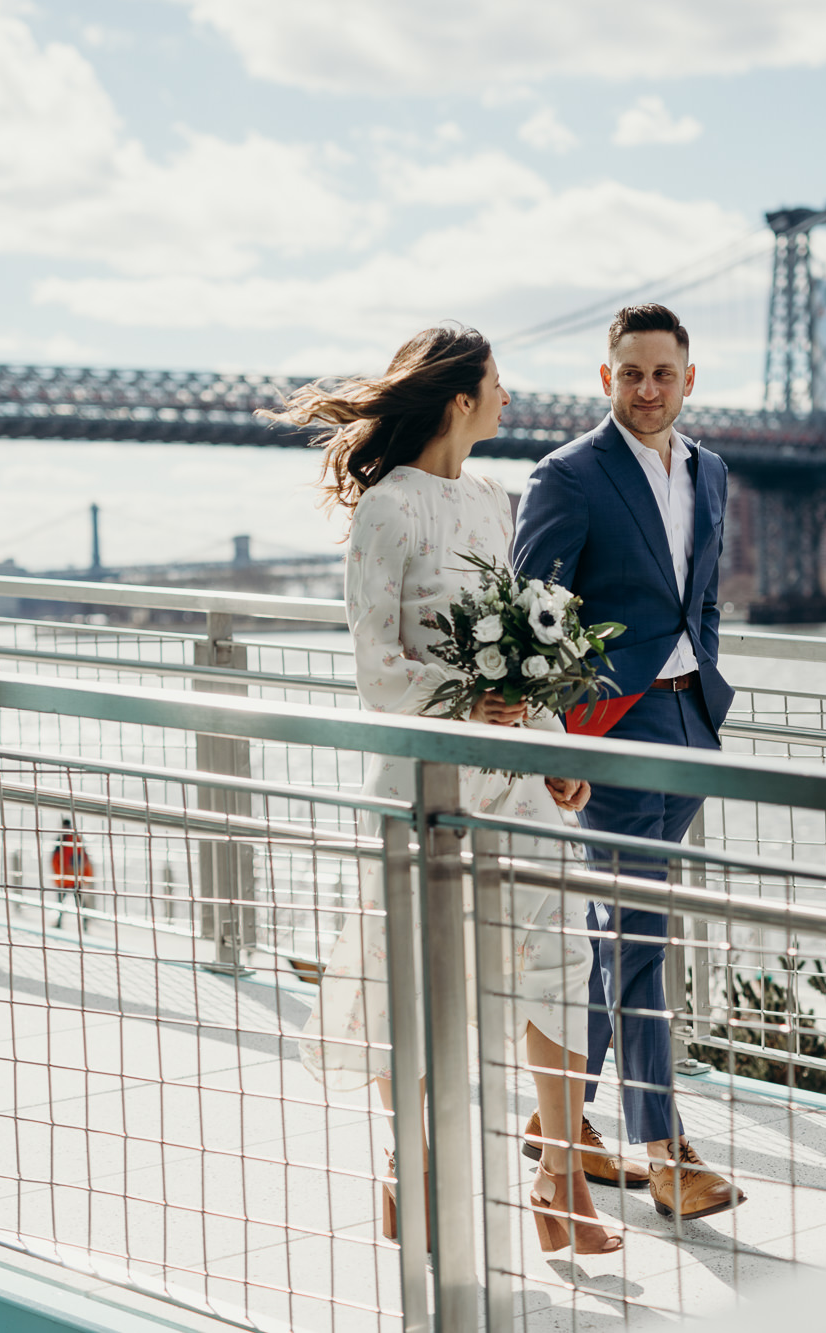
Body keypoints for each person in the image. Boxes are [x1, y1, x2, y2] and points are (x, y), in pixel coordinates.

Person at [277, 323, 621, 1256]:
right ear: (461, 397)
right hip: (427, 777)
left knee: (562, 958)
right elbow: (376, 667)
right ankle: (409, 1161)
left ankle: (558, 1174)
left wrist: (558, 751)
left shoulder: (492, 499)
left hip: (516, 779)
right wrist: (469, 704)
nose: (511, 399)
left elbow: (525, 645)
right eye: (499, 384)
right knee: (415, 977)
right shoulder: (388, 509)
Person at [511, 303, 745, 1222]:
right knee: (641, 928)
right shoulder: (568, 475)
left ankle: (560, 1124)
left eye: (665, 373)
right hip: (615, 726)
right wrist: (564, 733)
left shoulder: (712, 471)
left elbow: (706, 597)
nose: (648, 389)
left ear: (690, 379)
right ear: (605, 378)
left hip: (693, 721)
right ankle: (665, 1151)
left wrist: (708, 681)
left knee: (624, 930)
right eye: (631, 373)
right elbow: (535, 612)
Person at [48, 819, 95, 932]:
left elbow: (55, 861)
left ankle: (70, 923)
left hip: (67, 879)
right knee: (78, 904)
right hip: (71, 878)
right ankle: (83, 924)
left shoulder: (62, 841)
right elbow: (85, 859)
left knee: (65, 903)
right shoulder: (76, 840)